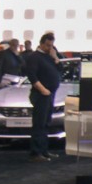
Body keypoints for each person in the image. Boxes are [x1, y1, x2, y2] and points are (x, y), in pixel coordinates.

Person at [25, 32, 63, 162]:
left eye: (51, 45)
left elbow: (60, 69)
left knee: (46, 123)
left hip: (50, 94)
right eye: (47, 45)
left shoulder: (49, 57)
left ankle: (44, 151)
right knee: (39, 124)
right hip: (41, 94)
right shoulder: (34, 57)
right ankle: (36, 152)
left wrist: (55, 57)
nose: (49, 48)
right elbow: (32, 76)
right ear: (41, 44)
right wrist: (43, 90)